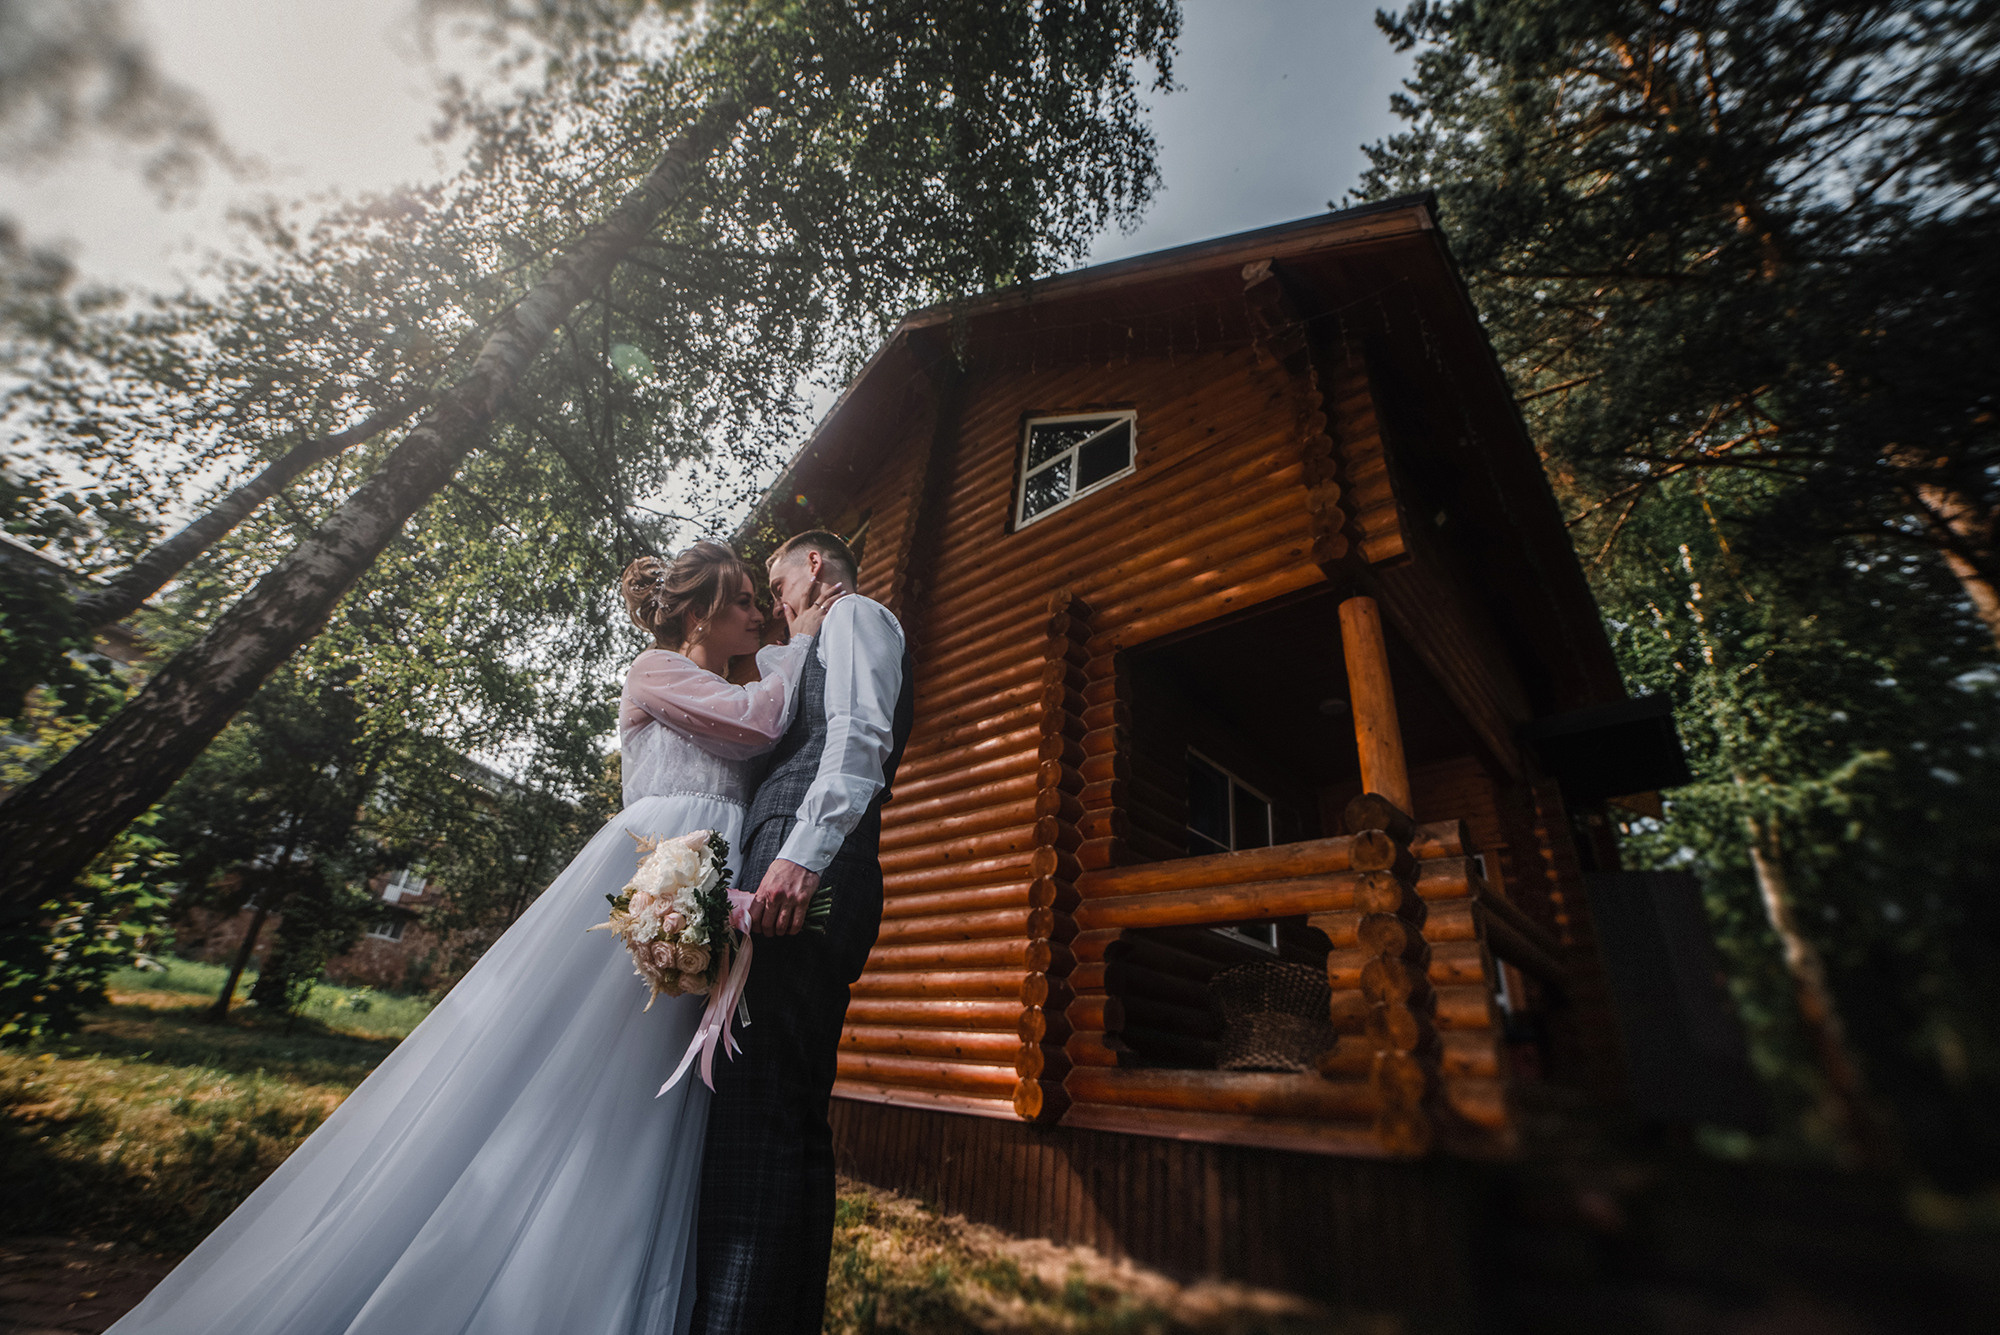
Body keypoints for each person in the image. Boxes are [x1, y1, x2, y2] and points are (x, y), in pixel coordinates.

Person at [107, 541, 843, 1335]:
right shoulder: (655, 670)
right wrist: (798, 640)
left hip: (714, 895)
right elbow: (759, 722)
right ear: (699, 610)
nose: (756, 612)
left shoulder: (732, 673)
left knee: (655, 1110)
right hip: (660, 878)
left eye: (759, 603)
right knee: (577, 1087)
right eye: (741, 599)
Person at [691, 530, 914, 1335]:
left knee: (757, 1119)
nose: (776, 604)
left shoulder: (857, 616)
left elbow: (858, 739)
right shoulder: (825, 637)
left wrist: (799, 856)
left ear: (813, 565)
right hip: (798, 884)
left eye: (777, 583)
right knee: (784, 1120)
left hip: (800, 889)